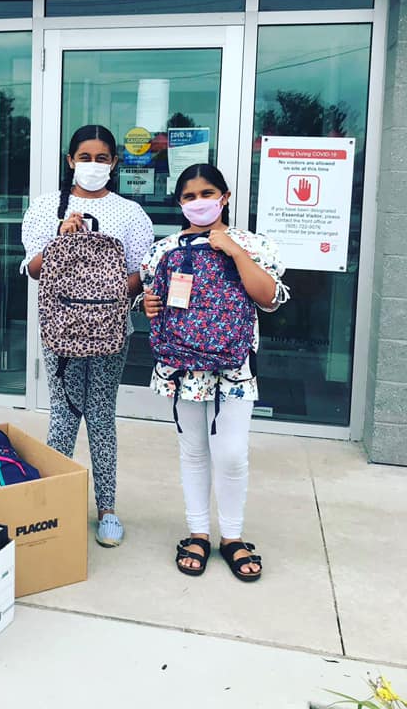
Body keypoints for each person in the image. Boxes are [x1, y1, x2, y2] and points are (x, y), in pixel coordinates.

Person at [141, 163, 289, 581]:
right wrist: (147, 304)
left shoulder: (253, 244)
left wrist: (235, 252)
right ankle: (198, 532)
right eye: (189, 196)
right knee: (193, 450)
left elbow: (270, 299)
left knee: (232, 453)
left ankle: (233, 536)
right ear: (179, 203)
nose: (199, 203)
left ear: (225, 197)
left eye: (207, 194)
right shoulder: (164, 250)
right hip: (182, 364)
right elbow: (153, 297)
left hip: (234, 367)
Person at [21, 124, 155, 547]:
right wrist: (60, 239)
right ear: (70, 160)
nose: (93, 165)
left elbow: (141, 272)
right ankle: (52, 503)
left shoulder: (130, 212)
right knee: (63, 414)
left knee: (100, 414)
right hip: (61, 328)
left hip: (111, 330)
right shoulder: (47, 207)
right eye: (85, 157)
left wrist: (101, 297)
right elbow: (35, 269)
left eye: (101, 158)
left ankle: (107, 508)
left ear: (114, 163)